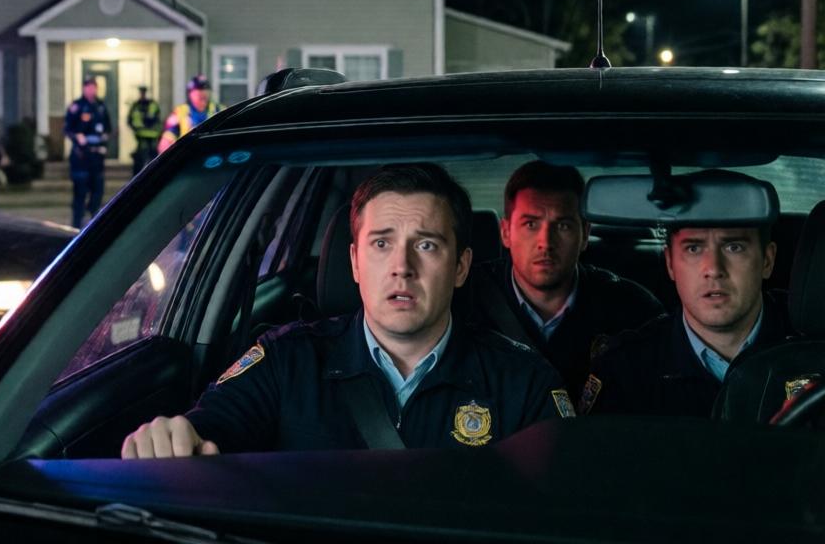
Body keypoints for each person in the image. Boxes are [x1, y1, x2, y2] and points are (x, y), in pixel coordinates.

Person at [122, 163, 571, 459]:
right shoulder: (286, 361)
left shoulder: (524, 382)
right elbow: (212, 428)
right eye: (382, 244)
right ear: (355, 262)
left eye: (427, 245)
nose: (402, 267)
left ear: (460, 266)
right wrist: (175, 441)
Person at [582, 173, 796, 417]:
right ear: (670, 264)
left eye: (733, 247)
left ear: (767, 261)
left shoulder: (813, 348)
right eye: (694, 248)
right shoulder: (626, 369)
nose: (714, 269)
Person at [453, 161, 662, 397]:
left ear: (585, 234)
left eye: (562, 225)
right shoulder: (461, 301)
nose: (546, 242)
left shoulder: (632, 311)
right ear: (506, 232)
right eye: (530, 224)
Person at [64, 77, 112, 228]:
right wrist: (77, 136)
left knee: (97, 191)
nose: (91, 90)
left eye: (94, 87)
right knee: (80, 193)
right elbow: (67, 129)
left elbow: (108, 128)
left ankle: (93, 225)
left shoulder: (101, 106)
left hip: (97, 157)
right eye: (88, 87)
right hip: (81, 157)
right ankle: (76, 226)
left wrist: (105, 137)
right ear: (84, 88)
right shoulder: (76, 106)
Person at [158, 75, 222, 154]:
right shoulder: (180, 112)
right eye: (199, 90)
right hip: (187, 157)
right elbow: (168, 136)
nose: (203, 93)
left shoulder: (220, 110)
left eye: (206, 89)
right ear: (190, 93)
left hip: (213, 155)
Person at [127, 85, 162, 176]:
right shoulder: (137, 105)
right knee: (141, 160)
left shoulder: (149, 105)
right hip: (142, 137)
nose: (142, 94)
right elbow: (130, 120)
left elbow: (156, 119)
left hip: (150, 138)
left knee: (150, 160)